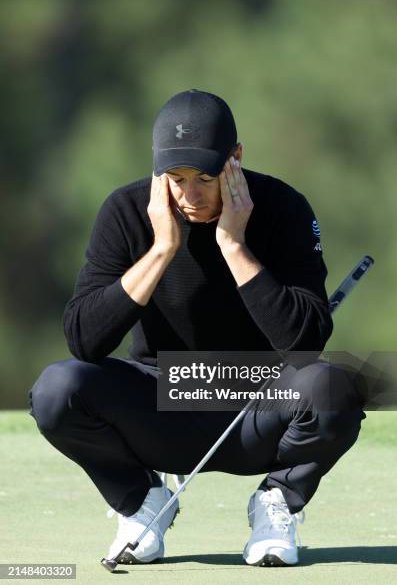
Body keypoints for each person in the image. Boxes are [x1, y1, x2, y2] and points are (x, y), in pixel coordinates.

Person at [29, 89, 366, 568]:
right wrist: (162, 247)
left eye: (205, 177)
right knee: (56, 389)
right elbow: (85, 340)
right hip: (161, 399)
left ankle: (277, 502)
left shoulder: (283, 207)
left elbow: (305, 343)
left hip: (258, 403)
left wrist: (232, 243)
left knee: (339, 385)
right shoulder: (127, 212)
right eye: (175, 178)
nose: (189, 195)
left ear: (236, 159)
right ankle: (141, 501)